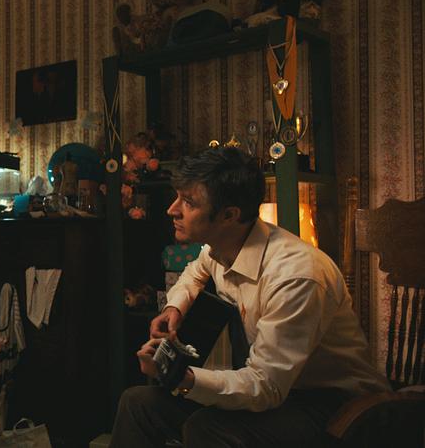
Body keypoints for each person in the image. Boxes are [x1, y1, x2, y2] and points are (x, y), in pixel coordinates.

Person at [109, 147, 390, 447]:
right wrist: (175, 307)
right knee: (138, 403)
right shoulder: (219, 247)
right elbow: (195, 271)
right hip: (278, 389)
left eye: (188, 202)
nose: (172, 209)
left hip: (337, 407)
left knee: (206, 427)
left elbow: (266, 386)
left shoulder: (296, 276)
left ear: (229, 215)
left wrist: (184, 379)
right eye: (177, 197)